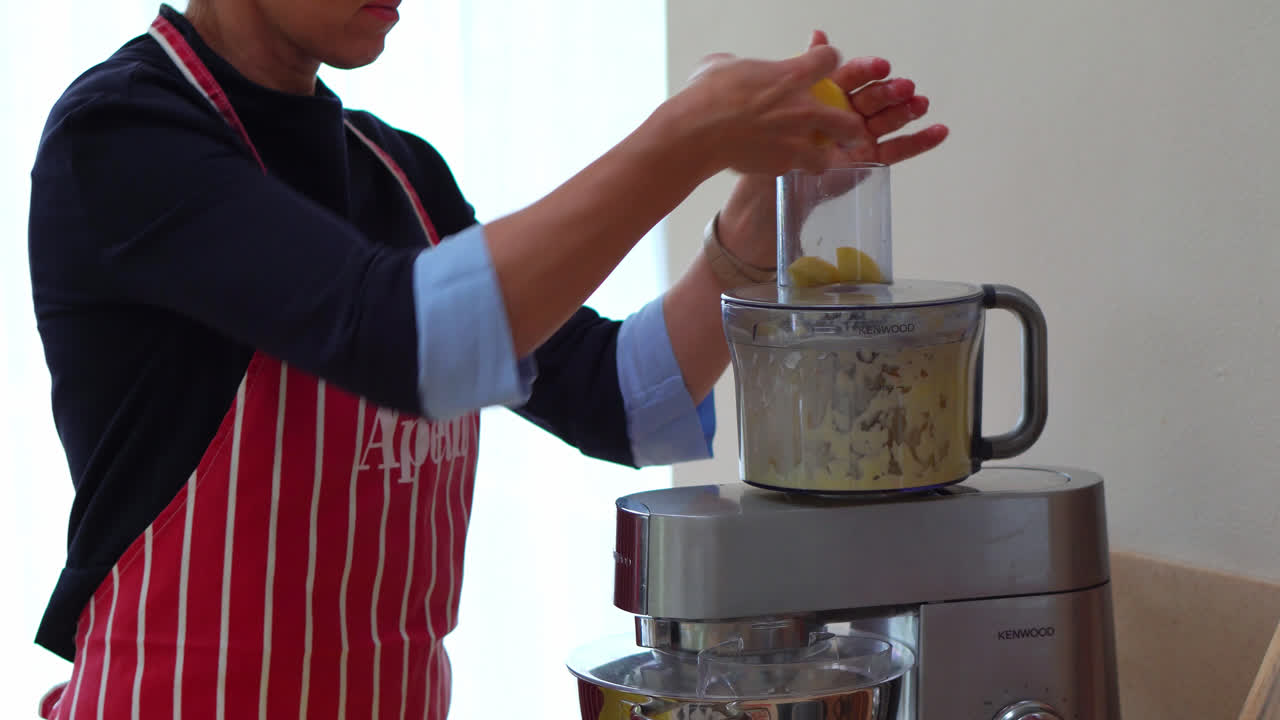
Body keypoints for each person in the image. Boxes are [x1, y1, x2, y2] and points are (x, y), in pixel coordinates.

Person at [26, 0, 947, 716]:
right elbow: (400, 339)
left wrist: (750, 221)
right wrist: (685, 138)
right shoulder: (123, 138)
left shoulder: (396, 172)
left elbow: (612, 397)